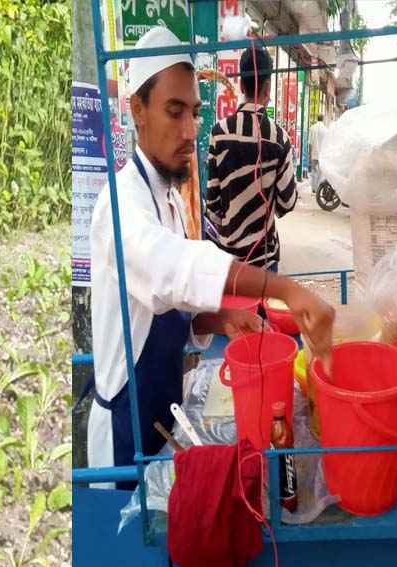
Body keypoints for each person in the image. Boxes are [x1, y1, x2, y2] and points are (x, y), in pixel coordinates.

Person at [86, 27, 335, 487]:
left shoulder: (170, 200)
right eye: (173, 111)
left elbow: (161, 310)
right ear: (137, 110)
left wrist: (216, 320)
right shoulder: (119, 205)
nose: (188, 131)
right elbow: (169, 270)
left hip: (165, 412)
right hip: (126, 431)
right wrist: (285, 289)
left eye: (195, 113)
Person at [204, 46, 298, 271]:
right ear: (267, 88)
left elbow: (213, 205)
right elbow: (288, 203)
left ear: (241, 85)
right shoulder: (279, 139)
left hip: (227, 263)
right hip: (265, 261)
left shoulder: (219, 132)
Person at [307, 113, 327, 190]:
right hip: (322, 154)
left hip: (314, 153)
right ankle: (318, 188)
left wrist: (309, 154)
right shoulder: (326, 130)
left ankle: (313, 188)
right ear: (323, 119)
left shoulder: (312, 128)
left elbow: (310, 143)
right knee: (320, 172)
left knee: (313, 171)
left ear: (317, 118)